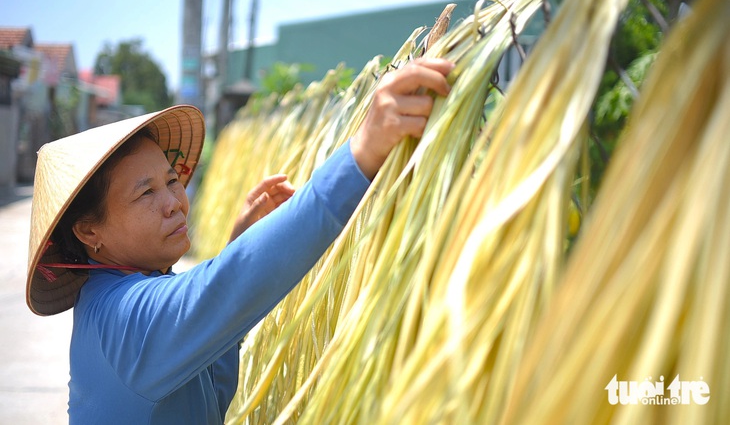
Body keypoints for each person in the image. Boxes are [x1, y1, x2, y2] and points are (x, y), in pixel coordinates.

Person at [25, 58, 453, 424]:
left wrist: (237, 247)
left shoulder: (129, 295)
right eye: (145, 193)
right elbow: (229, 286)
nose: (174, 202)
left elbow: (211, 338)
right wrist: (360, 156)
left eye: (172, 181)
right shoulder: (126, 321)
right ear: (89, 232)